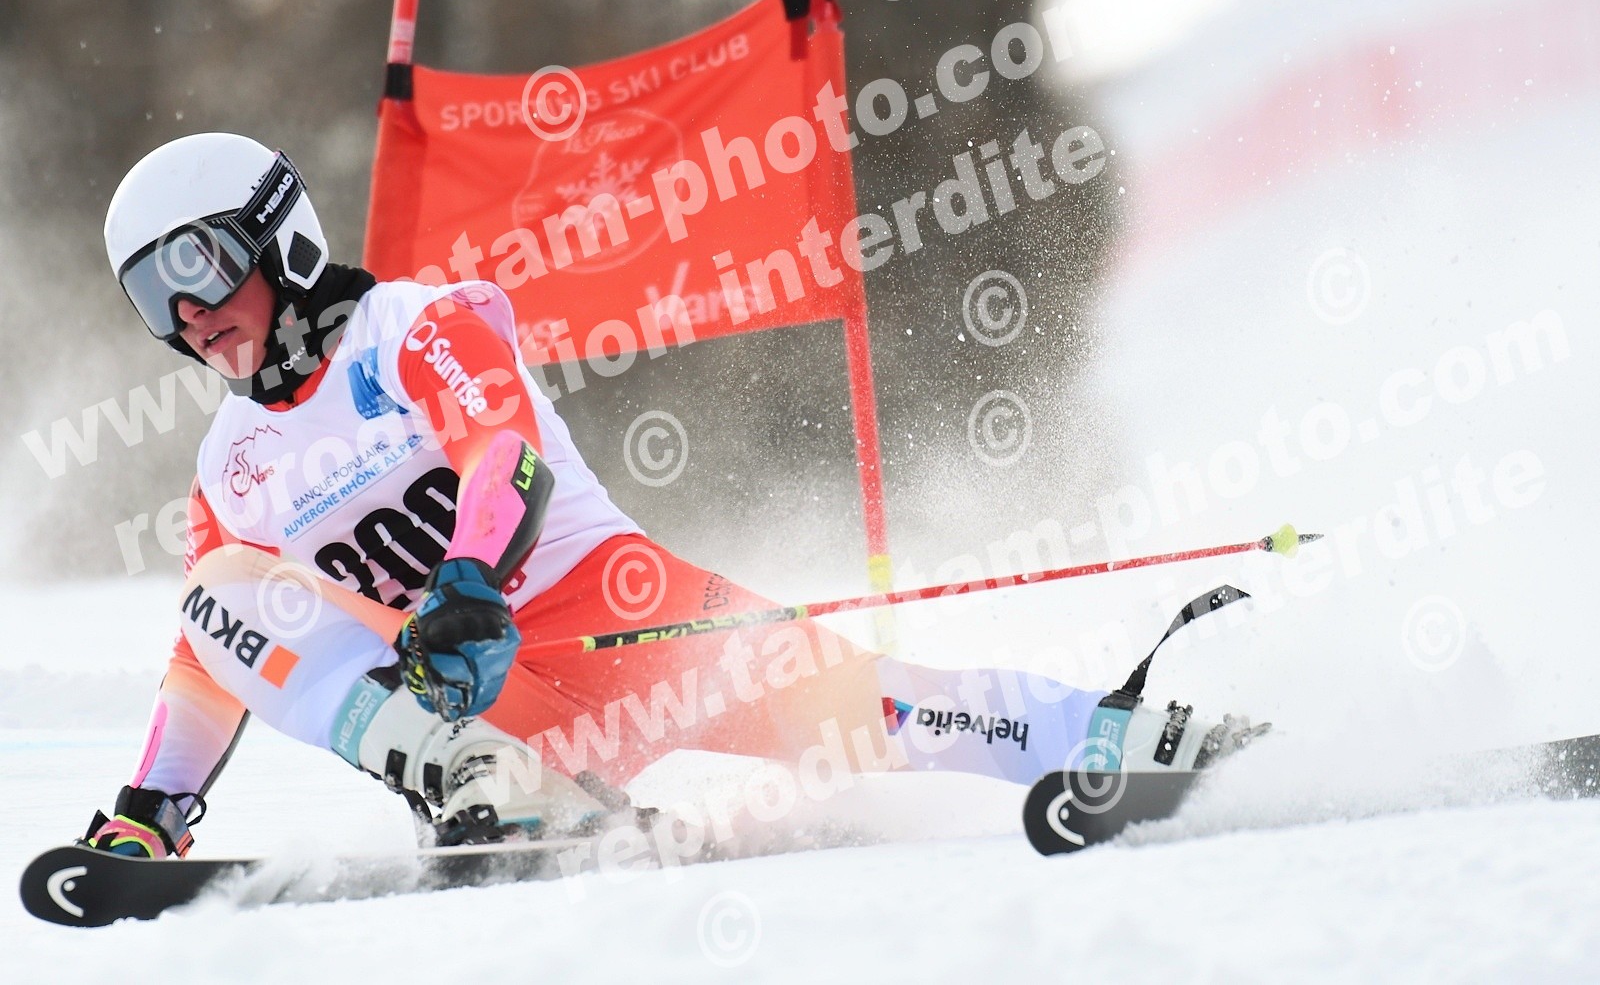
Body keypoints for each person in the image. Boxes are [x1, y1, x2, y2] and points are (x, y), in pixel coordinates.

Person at [82, 133, 1252, 859]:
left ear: (278, 238)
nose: (185, 312)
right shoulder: (230, 465)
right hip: (492, 720)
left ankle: (1146, 741)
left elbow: (503, 452)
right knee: (218, 586)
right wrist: (151, 806)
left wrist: (470, 577)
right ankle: (496, 781)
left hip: (625, 619)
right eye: (150, 293)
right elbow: (212, 653)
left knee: (876, 709)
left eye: (198, 263)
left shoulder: (409, 329)